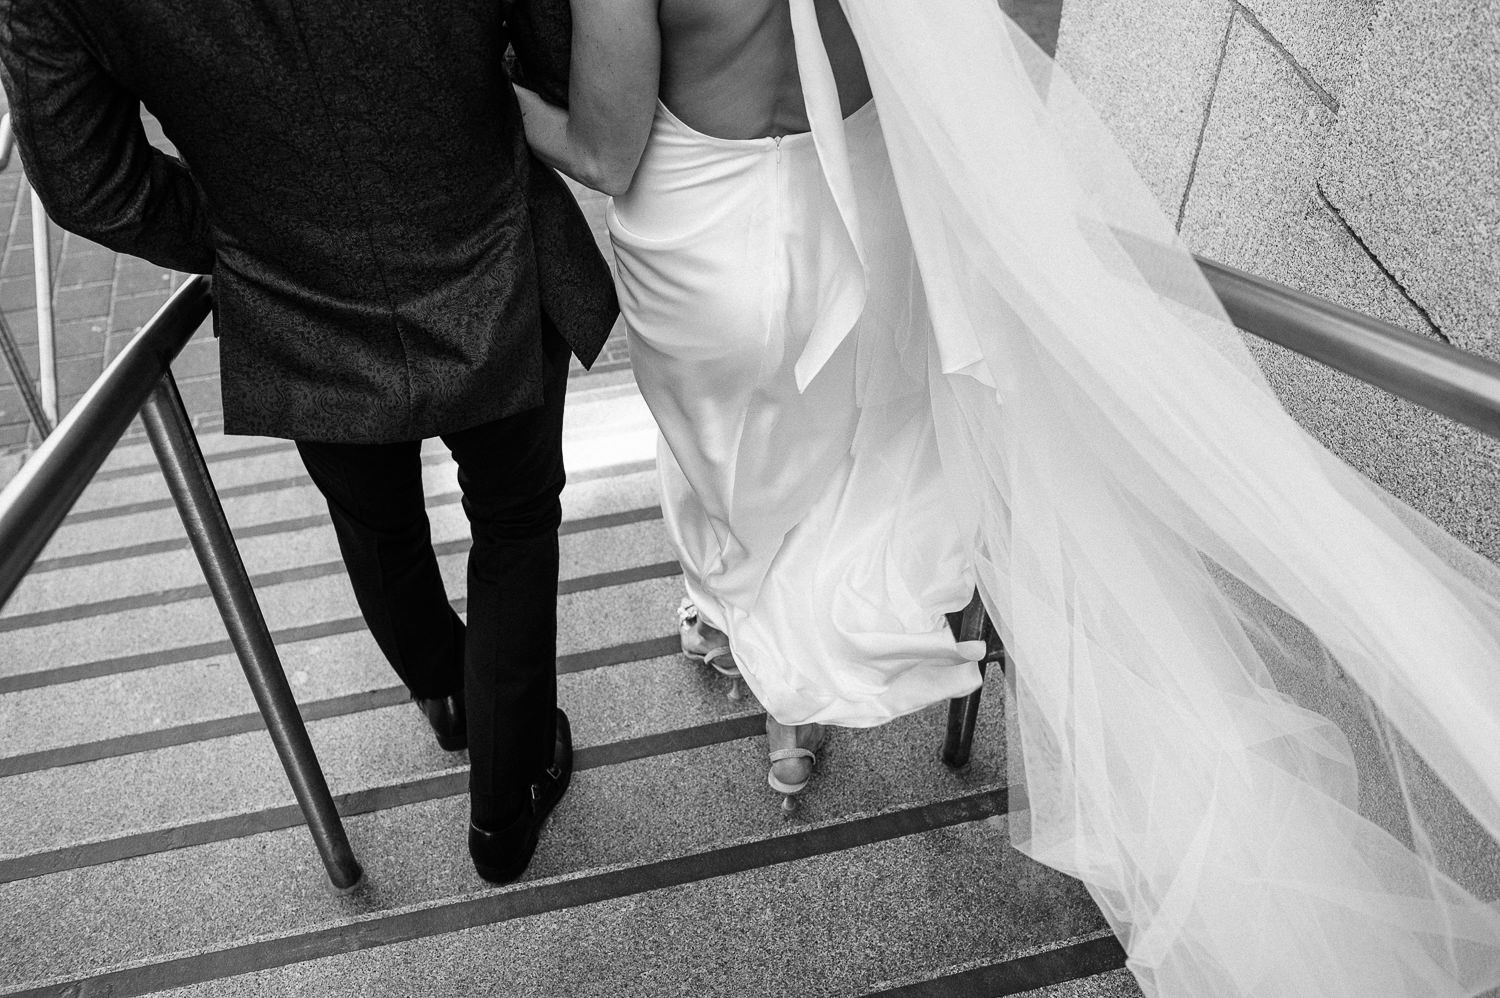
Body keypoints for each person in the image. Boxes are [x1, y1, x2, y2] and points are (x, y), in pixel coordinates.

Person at [512, 0, 1500, 993]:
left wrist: (489, 100)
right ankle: (792, 707)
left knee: (722, 455)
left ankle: (743, 630)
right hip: (864, 205)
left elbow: (605, 151)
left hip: (704, 236)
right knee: (838, 448)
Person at [0, 0, 616, 884]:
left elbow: (86, 181)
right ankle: (504, 809)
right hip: (489, 259)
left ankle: (448, 693)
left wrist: (239, 236)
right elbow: (562, 59)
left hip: (295, 300)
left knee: (376, 522)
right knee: (516, 524)